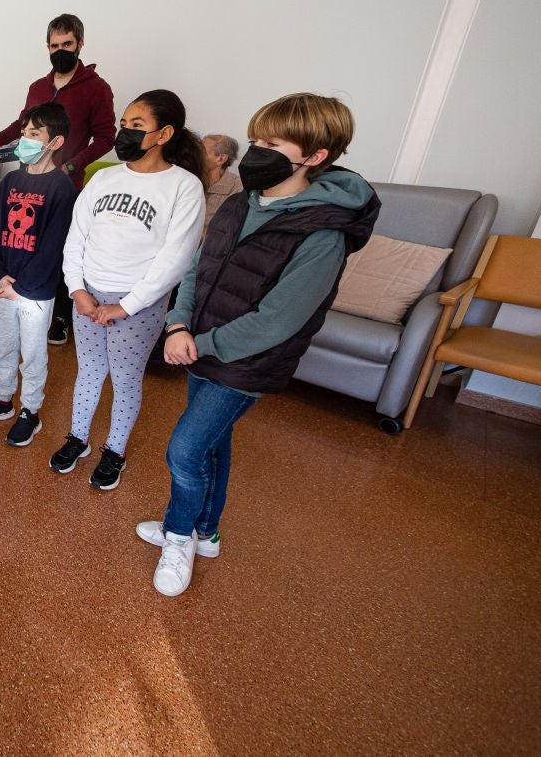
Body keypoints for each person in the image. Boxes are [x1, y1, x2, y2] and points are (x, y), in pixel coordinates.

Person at [140, 93, 379, 597]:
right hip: (200, 347)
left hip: (246, 361)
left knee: (184, 451)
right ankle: (206, 533)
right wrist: (179, 325)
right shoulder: (238, 203)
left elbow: (278, 321)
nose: (256, 152)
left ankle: (177, 536)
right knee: (213, 444)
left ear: (313, 157)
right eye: (254, 140)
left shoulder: (323, 232)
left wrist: (197, 343)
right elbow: (196, 269)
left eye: (271, 143)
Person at [52, 89, 205, 490]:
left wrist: (128, 305)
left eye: (136, 126)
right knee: (88, 372)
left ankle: (114, 450)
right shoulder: (103, 178)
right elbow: (75, 238)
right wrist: (76, 290)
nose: (125, 133)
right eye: (123, 125)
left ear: (164, 133)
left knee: (124, 377)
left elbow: (176, 258)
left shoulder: (184, 187)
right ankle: (78, 439)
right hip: (88, 295)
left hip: (139, 305)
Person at [0, 14, 116, 348]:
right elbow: (23, 124)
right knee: (23, 240)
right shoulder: (38, 87)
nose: (60, 50)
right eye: (54, 45)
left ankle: (60, 315)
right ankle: (21, 290)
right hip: (29, 180)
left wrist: (73, 166)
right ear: (47, 46)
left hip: (64, 185)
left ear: (80, 43)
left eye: (67, 44)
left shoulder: (96, 88)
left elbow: (107, 137)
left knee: (60, 250)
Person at [0, 102, 77, 447]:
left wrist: (24, 287)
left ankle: (30, 410)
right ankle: (3, 400)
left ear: (55, 143)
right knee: (3, 347)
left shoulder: (62, 189)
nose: (24, 140)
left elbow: (53, 247)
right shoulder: (12, 180)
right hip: (4, 286)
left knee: (32, 353)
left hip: (35, 292)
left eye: (34, 134)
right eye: (23, 133)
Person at [200, 133, 244, 234]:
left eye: (202, 151)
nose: (195, 154)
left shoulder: (238, 188)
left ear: (221, 159)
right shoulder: (190, 179)